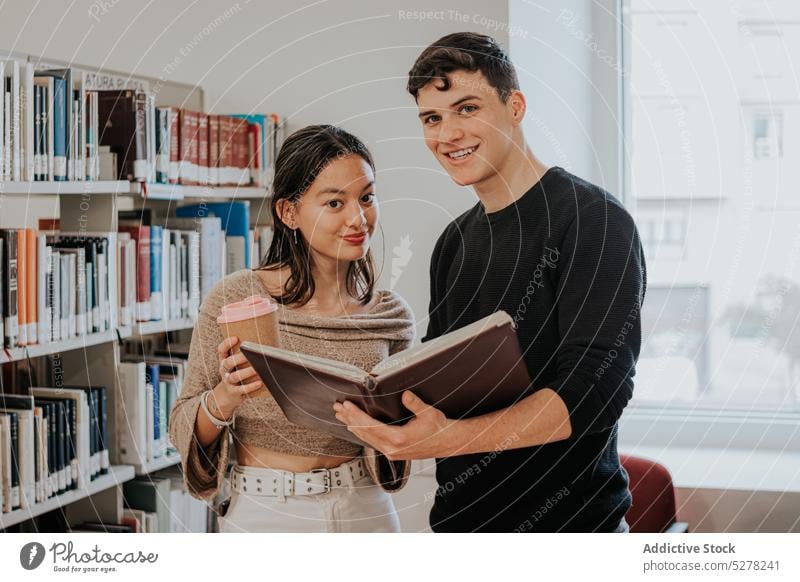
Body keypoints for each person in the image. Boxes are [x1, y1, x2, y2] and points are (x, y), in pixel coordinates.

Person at [334, 32, 647, 532]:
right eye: (432, 119)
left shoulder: (595, 221)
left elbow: (593, 396)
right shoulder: (454, 241)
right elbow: (443, 384)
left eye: (467, 108)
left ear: (515, 106)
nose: (448, 133)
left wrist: (445, 439)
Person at [169, 125, 415, 533]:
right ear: (288, 213)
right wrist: (226, 397)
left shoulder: (390, 315)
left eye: (367, 198)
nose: (358, 218)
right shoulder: (233, 299)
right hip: (265, 514)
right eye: (335, 203)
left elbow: (398, 441)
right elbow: (183, 424)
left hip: (364, 509)